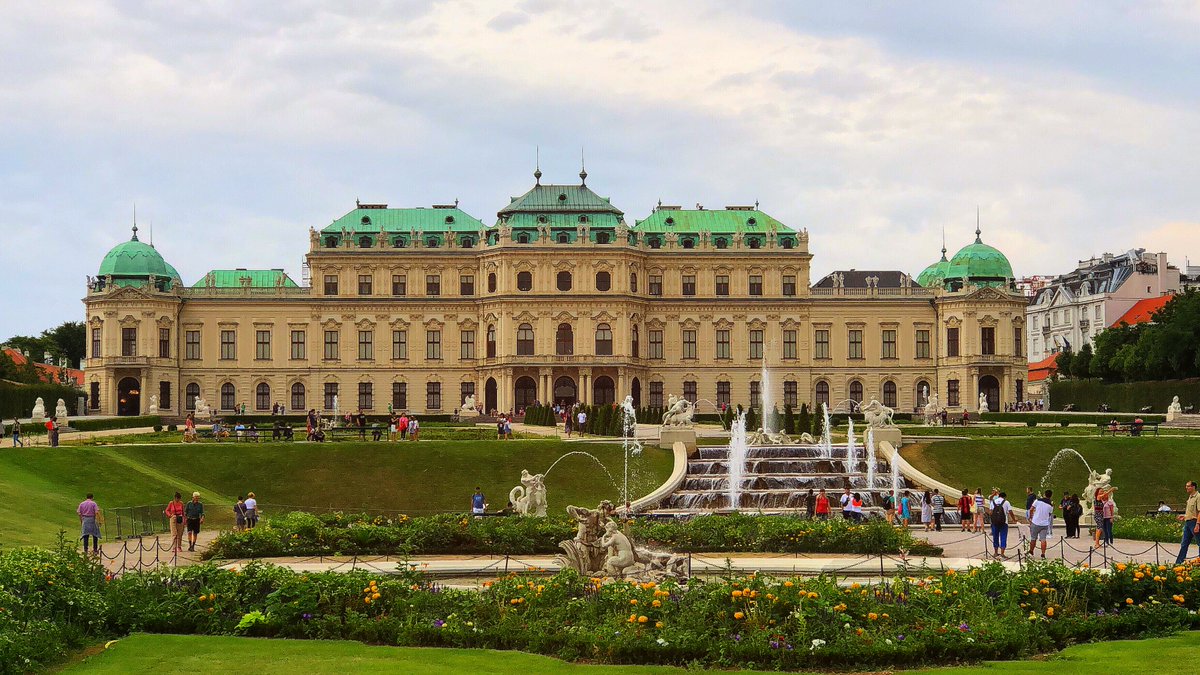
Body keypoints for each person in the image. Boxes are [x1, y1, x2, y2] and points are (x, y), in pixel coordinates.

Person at [1175, 480, 1200, 564]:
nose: (1186, 487)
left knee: (1199, 542)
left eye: (1188, 486)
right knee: (1184, 543)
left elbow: (1199, 511)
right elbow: (1191, 511)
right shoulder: (1190, 497)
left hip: (1195, 522)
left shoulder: (1198, 497)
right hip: (1188, 523)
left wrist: (1198, 524)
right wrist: (1184, 516)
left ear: (1193, 487)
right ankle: (1179, 562)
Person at [1028, 489, 1054, 559]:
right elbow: (1049, 514)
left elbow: (1031, 509)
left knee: (1033, 538)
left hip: (1036, 522)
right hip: (1044, 524)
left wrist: (1030, 517)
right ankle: (1043, 554)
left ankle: (1031, 551)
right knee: (1043, 539)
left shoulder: (1038, 501)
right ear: (1051, 496)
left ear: (1044, 494)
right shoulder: (1051, 505)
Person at [990, 490, 1012, 558]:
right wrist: (1014, 519)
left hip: (994, 522)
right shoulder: (1006, 502)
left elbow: (990, 512)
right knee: (1003, 537)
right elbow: (1010, 511)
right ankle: (1002, 553)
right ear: (1005, 497)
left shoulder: (993, 502)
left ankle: (996, 552)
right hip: (1004, 522)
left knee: (995, 537)